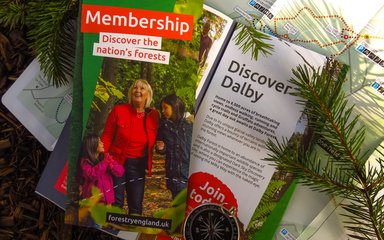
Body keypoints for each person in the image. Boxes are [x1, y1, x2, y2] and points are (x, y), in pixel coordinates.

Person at [101, 79, 160, 214]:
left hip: (138, 165)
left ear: (148, 95)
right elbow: (107, 136)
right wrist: (103, 158)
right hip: (116, 162)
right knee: (116, 202)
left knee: (136, 205)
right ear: (130, 92)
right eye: (135, 88)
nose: (138, 90)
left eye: (142, 88)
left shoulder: (154, 115)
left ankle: (130, 233)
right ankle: (111, 231)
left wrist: (161, 148)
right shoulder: (118, 110)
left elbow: (161, 138)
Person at [156, 94, 193, 199]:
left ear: (175, 106)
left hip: (188, 174)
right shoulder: (163, 126)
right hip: (173, 174)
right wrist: (161, 148)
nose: (163, 111)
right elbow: (162, 148)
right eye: (162, 108)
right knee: (177, 205)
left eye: (165, 108)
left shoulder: (190, 124)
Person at [79, 135, 124, 205]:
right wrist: (104, 163)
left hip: (108, 198)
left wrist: (113, 166)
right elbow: (91, 175)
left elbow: (120, 172)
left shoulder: (105, 157)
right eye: (99, 142)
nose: (102, 143)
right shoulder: (85, 162)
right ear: (93, 145)